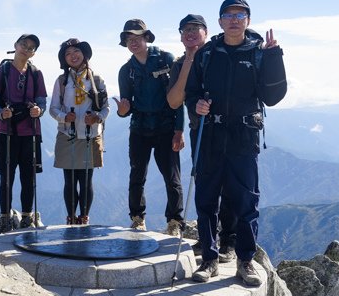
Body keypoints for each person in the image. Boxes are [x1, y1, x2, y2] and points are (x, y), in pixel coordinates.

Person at [185, 0, 287, 286]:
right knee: (206, 200)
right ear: (219, 21)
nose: (234, 19)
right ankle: (209, 260)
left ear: (248, 21)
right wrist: (197, 106)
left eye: (240, 15)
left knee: (246, 201)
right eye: (228, 15)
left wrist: (274, 56)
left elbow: (274, 96)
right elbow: (192, 92)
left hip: (244, 137)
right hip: (212, 136)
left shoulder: (259, 52)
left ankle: (245, 261)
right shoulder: (207, 53)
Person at [167, 14, 237, 263]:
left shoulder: (218, 54)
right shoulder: (178, 64)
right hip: (201, 131)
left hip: (227, 131)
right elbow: (174, 101)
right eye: (185, 29)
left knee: (230, 187)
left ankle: (229, 241)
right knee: (206, 188)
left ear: (207, 31)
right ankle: (208, 240)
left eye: (196, 28)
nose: (191, 33)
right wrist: (188, 62)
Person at [115, 19, 184, 234]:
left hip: (165, 128)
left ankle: (174, 222)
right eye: (128, 39)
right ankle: (137, 218)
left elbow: (178, 98)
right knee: (137, 176)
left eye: (137, 37)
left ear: (146, 37)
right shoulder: (126, 71)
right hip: (139, 129)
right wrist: (121, 112)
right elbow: (125, 106)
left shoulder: (167, 59)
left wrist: (179, 130)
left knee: (172, 177)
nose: (132, 42)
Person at [0, 34, 47, 233]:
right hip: (8, 132)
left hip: (29, 132)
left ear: (34, 53)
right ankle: (5, 217)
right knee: (7, 177)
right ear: (15, 45)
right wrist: (0, 113)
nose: (26, 49)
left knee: (28, 178)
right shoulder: (1, 72)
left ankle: (27, 217)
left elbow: (42, 103)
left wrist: (39, 111)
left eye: (31, 48)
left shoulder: (36, 74)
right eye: (24, 45)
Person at [49, 38, 109, 225]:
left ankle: (83, 218)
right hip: (68, 134)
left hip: (90, 135)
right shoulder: (62, 81)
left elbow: (106, 108)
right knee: (70, 179)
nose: (72, 56)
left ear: (84, 54)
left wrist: (97, 117)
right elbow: (53, 108)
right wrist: (64, 117)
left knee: (86, 180)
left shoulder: (97, 80)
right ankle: (71, 217)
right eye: (68, 53)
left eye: (76, 52)